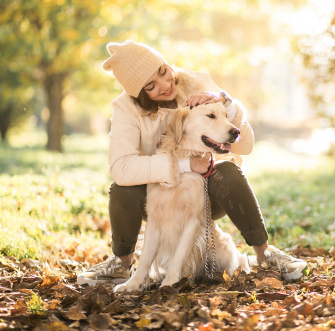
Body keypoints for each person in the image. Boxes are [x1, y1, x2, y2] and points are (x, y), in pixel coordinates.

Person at [77, 40, 307, 286]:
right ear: (139, 94)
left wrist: (226, 104)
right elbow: (120, 167)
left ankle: (265, 254)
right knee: (123, 188)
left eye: (164, 71)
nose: (166, 85)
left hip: (204, 193)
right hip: (156, 193)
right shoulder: (125, 107)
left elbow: (246, 146)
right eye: (151, 86)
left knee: (227, 170)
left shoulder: (198, 83)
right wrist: (184, 166)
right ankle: (121, 265)